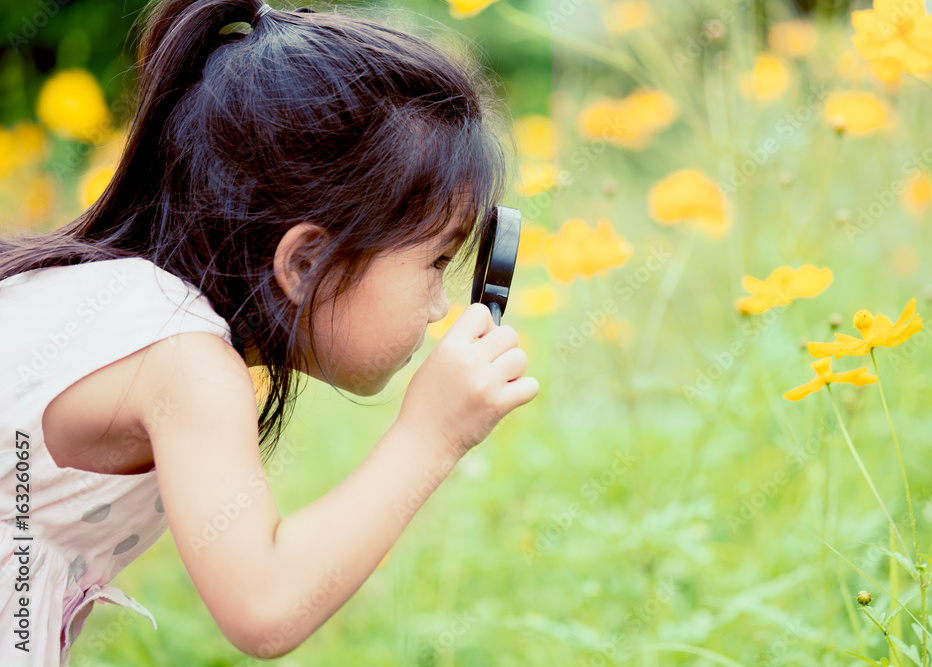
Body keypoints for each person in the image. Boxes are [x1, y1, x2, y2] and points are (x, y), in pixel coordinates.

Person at [0, 0, 540, 664]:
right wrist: (431, 433)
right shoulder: (182, 359)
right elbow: (265, 606)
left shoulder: (115, 302)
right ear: (305, 261)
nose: (437, 307)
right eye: (434, 262)